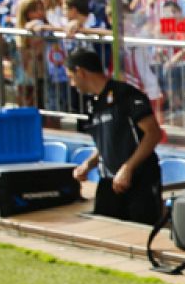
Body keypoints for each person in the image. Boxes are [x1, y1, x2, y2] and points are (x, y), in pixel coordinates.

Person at [67, 48, 163, 226]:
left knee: (142, 232)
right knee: (104, 229)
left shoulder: (126, 95)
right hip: (109, 181)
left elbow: (153, 133)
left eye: (71, 77)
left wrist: (128, 168)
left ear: (80, 72)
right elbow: (106, 140)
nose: (72, 84)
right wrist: (89, 164)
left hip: (139, 179)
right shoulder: (93, 104)